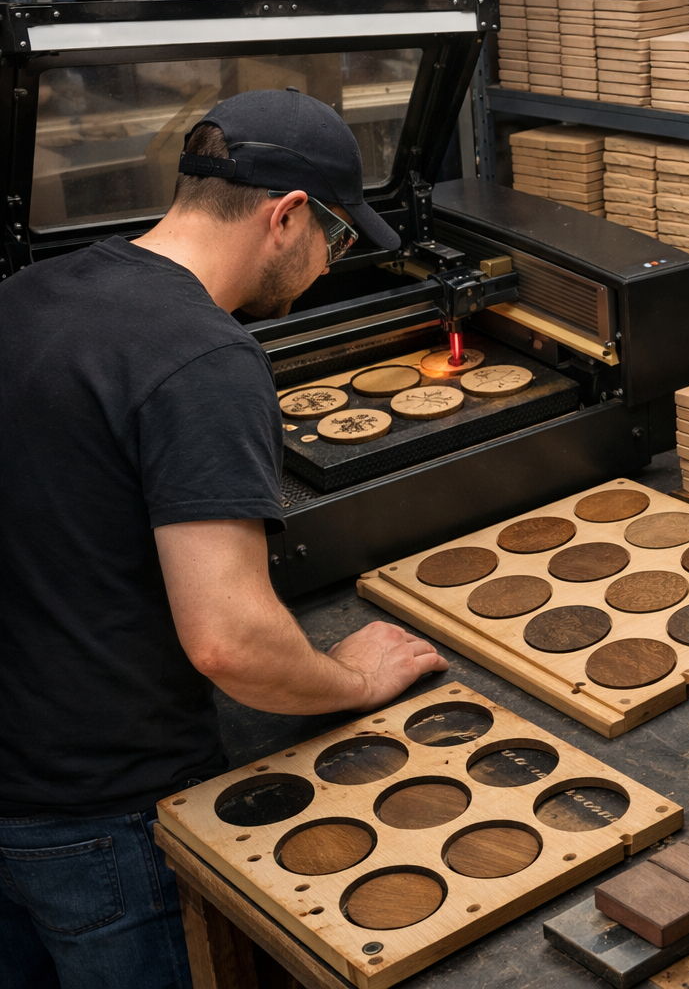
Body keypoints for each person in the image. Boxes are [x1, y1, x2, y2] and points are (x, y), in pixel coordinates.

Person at [0, 89, 447, 989]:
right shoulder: (202, 355)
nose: (330, 268)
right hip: (108, 812)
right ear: (287, 216)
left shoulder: (28, 292)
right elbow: (229, 641)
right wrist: (352, 678)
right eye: (339, 239)